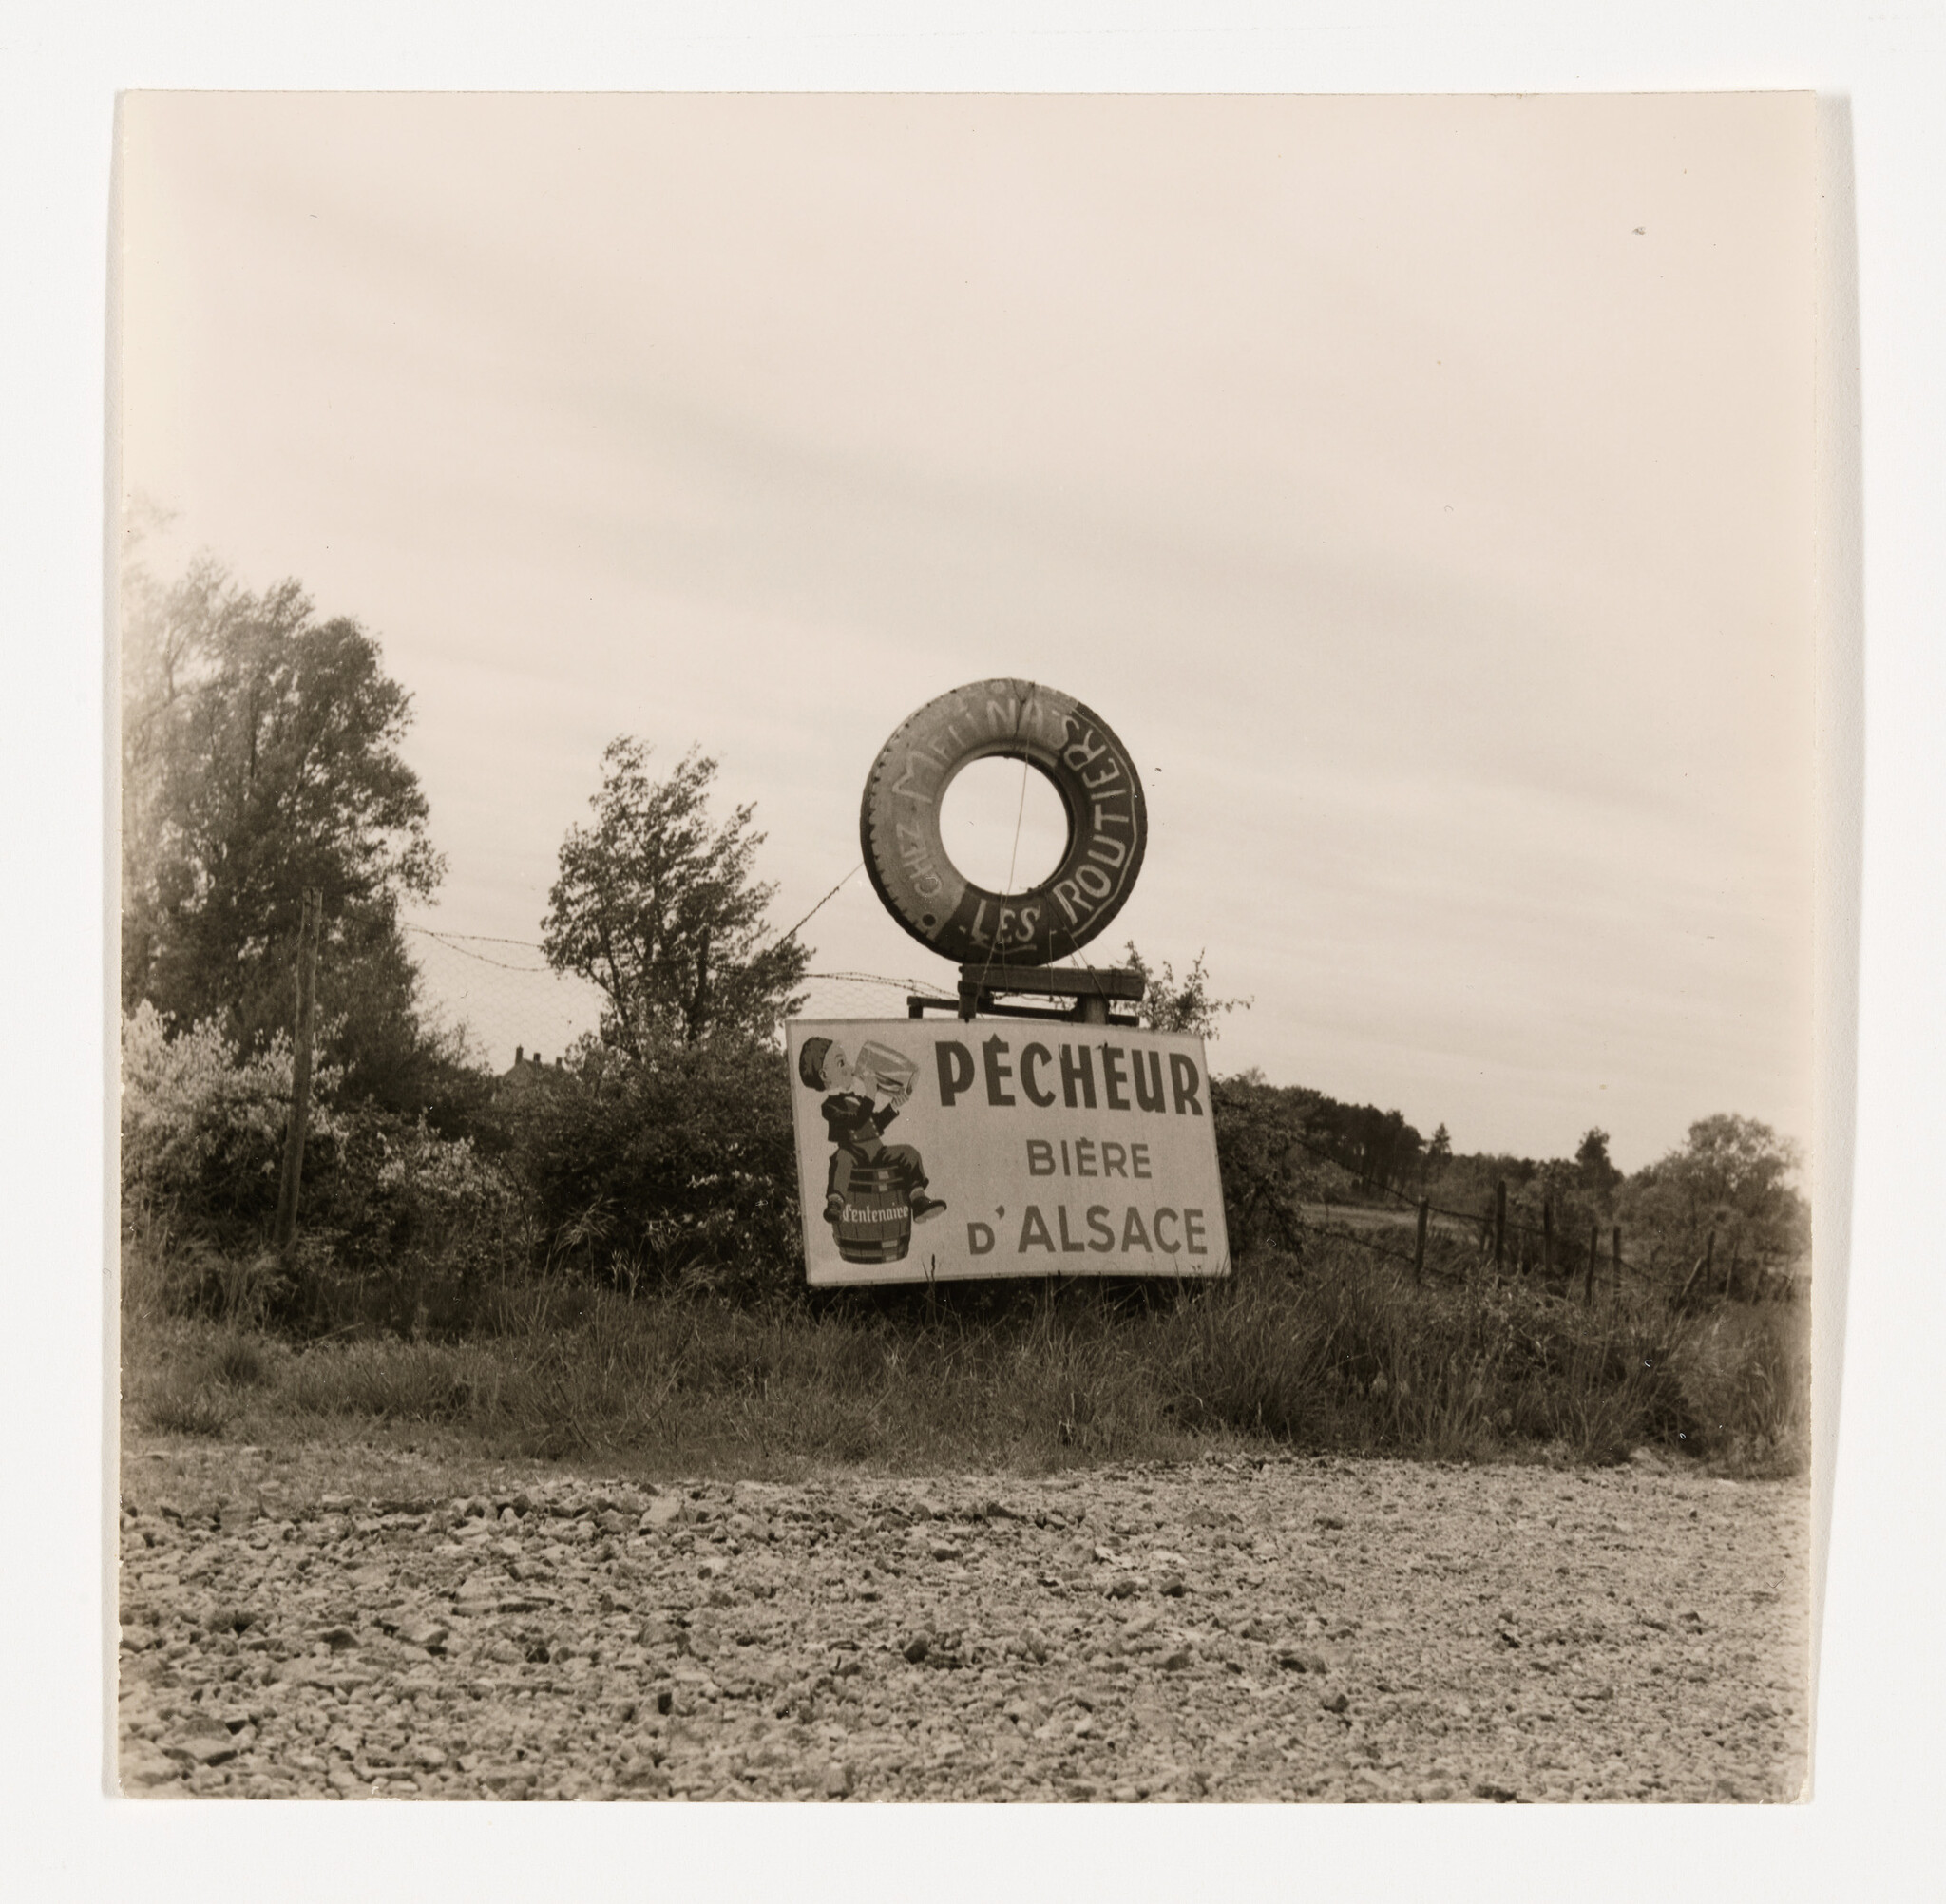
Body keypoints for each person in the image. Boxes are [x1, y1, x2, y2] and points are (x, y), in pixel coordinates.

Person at [797, 1036, 946, 1225]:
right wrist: (870, 1094)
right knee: (841, 1159)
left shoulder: (858, 1100)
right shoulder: (829, 1106)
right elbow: (856, 1121)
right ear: (824, 1075)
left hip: (877, 1151)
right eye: (841, 1063)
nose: (849, 1067)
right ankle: (835, 1202)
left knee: (909, 1153)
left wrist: (893, 1105)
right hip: (853, 1153)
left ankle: (918, 1200)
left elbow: (874, 1123)